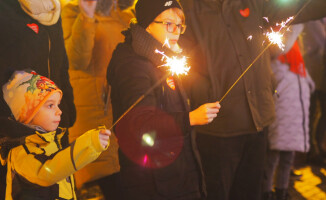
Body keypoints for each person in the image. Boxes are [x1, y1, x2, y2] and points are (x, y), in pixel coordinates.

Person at [178, 0, 326, 199]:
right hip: (218, 129)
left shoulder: (253, 3)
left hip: (257, 122)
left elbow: (299, 8)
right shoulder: (188, 8)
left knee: (250, 193)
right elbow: (175, 61)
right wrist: (206, 92)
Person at [107, 0, 221, 199]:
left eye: (179, 25)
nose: (176, 31)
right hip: (152, 182)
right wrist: (190, 118)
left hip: (176, 174)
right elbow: (140, 123)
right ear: (148, 24)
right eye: (169, 24)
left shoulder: (164, 59)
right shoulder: (132, 64)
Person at [0, 0, 76, 199]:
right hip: (19, 132)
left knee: (61, 189)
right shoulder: (6, 10)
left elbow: (61, 66)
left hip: (53, 126)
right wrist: (12, 124)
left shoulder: (52, 9)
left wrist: (66, 109)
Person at [61, 0, 134, 198]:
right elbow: (77, 60)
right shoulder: (72, 12)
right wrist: (87, 16)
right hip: (95, 118)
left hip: (125, 115)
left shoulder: (126, 15)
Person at [0, 70, 111, 200]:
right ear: (28, 113)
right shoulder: (20, 152)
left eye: (57, 104)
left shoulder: (50, 142)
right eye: (50, 105)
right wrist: (90, 144)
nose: (59, 111)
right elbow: (48, 173)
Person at [263, 24, 314, 200]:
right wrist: (297, 25)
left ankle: (282, 190)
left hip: (294, 110)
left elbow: (302, 74)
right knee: (274, 154)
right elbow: (280, 48)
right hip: (282, 107)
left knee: (287, 154)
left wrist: (308, 83)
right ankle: (267, 190)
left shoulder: (294, 46)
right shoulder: (276, 40)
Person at [298, 18, 326, 163]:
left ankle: (319, 145)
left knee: (322, 113)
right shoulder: (310, 18)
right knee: (310, 113)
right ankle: (309, 150)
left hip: (322, 75)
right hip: (310, 73)